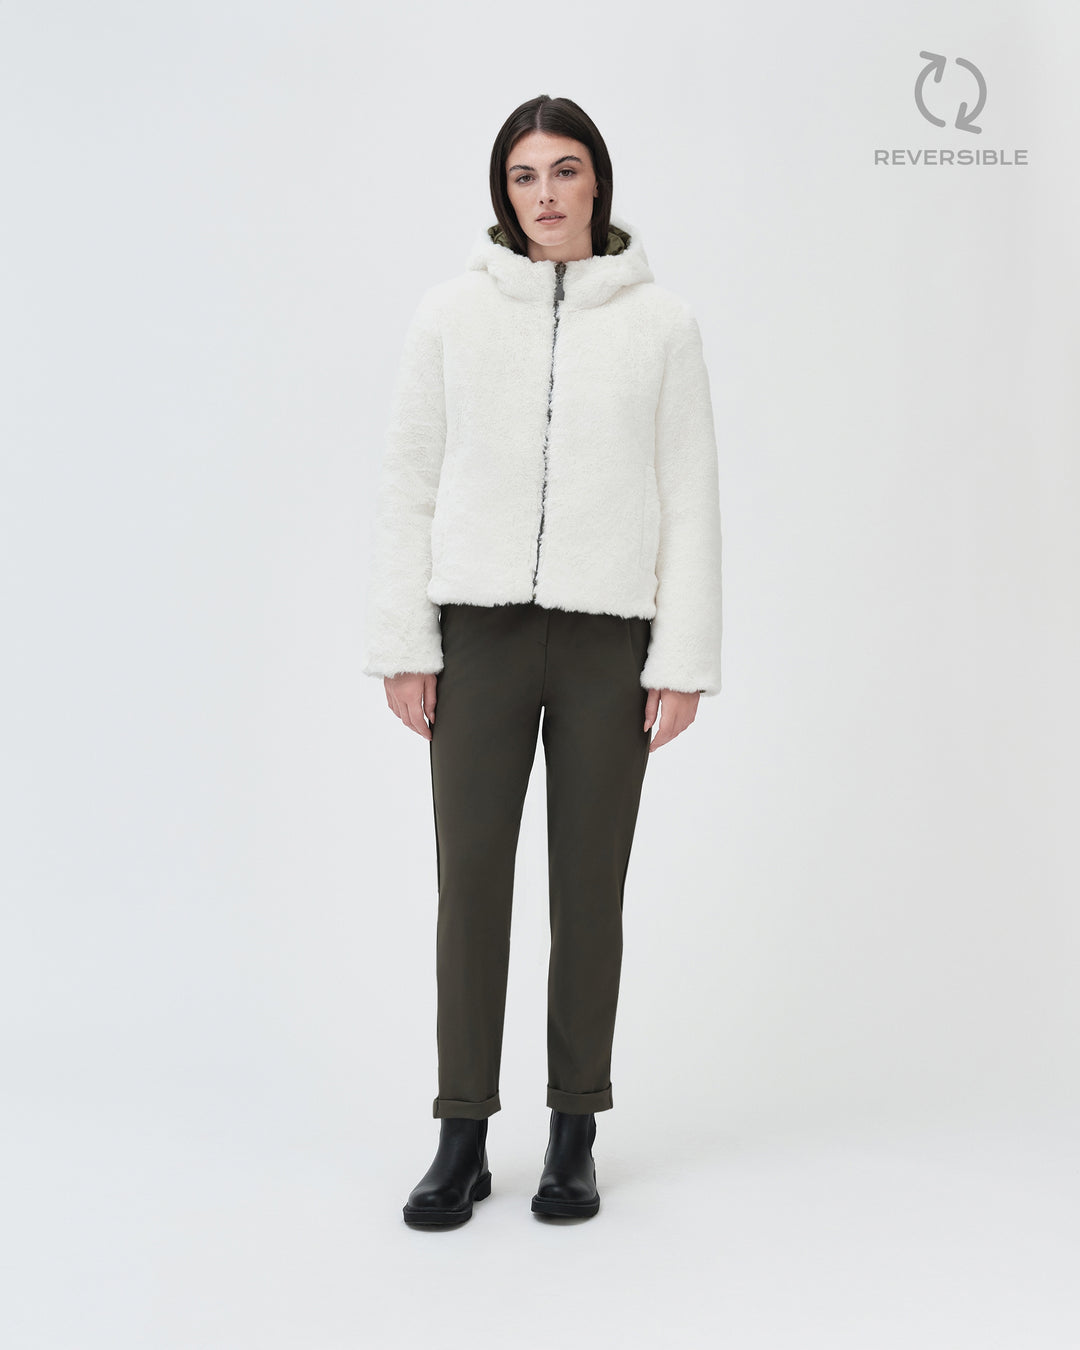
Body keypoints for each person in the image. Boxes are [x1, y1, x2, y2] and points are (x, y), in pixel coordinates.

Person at [362, 94, 723, 1226]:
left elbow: (690, 498)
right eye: (525, 176)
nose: (547, 195)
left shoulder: (662, 324)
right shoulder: (449, 316)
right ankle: (461, 1134)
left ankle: (575, 1131)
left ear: (597, 182)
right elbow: (408, 482)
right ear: (502, 191)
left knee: (589, 889)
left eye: (565, 171)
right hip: (478, 635)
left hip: (610, 641)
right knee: (470, 883)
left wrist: (682, 659)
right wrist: (405, 643)